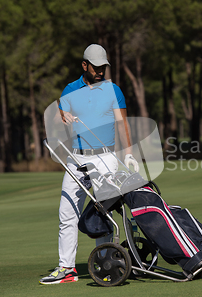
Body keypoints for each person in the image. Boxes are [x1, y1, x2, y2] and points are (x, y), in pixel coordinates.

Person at [40, 44, 139, 284]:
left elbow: (122, 124)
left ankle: (106, 265)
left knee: (103, 214)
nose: (100, 71)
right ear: (84, 65)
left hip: (105, 157)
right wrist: (62, 115)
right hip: (77, 157)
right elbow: (56, 119)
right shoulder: (70, 90)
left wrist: (128, 154)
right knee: (67, 212)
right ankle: (67, 269)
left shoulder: (113, 89)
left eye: (103, 67)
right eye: (96, 67)